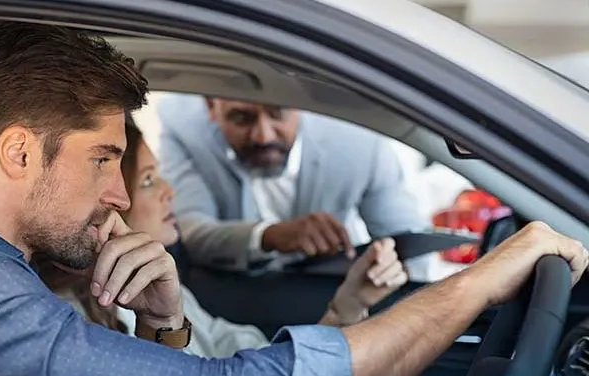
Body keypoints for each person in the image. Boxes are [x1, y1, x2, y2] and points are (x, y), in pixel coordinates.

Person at [0, 20, 588, 376]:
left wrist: (166, 325)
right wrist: (483, 280)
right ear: (18, 153)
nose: (119, 193)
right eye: (105, 158)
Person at [34, 118, 409, 358]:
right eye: (148, 180)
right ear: (108, 202)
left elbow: (258, 364)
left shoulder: (165, 291)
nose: (170, 192)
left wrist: (347, 306)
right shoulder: (64, 324)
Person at [156, 94, 430, 274]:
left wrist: (388, 269)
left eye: (277, 113)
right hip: (230, 299)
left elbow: (408, 247)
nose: (263, 136)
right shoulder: (183, 128)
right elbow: (192, 232)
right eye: (242, 117)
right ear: (210, 107)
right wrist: (272, 235)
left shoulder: (360, 141)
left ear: (299, 104)